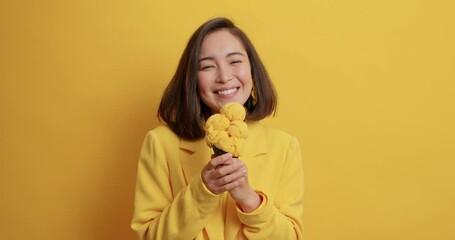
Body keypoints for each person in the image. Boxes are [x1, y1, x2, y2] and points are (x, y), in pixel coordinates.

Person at [131, 17, 304, 240]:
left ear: (252, 70)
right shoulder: (160, 142)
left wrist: (249, 199)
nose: (224, 77)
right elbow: (150, 236)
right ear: (192, 78)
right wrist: (203, 190)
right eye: (207, 66)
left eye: (234, 62)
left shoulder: (284, 146)